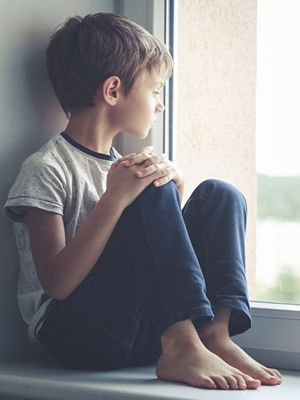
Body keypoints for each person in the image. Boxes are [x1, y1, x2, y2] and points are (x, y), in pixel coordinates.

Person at [4, 13, 281, 390]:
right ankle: (182, 345)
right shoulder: (46, 168)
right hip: (80, 336)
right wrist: (115, 200)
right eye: (155, 91)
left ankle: (213, 336)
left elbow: (152, 252)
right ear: (113, 90)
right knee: (147, 184)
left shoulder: (124, 166)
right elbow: (56, 284)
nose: (160, 104)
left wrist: (174, 192)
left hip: (143, 330)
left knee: (221, 194)